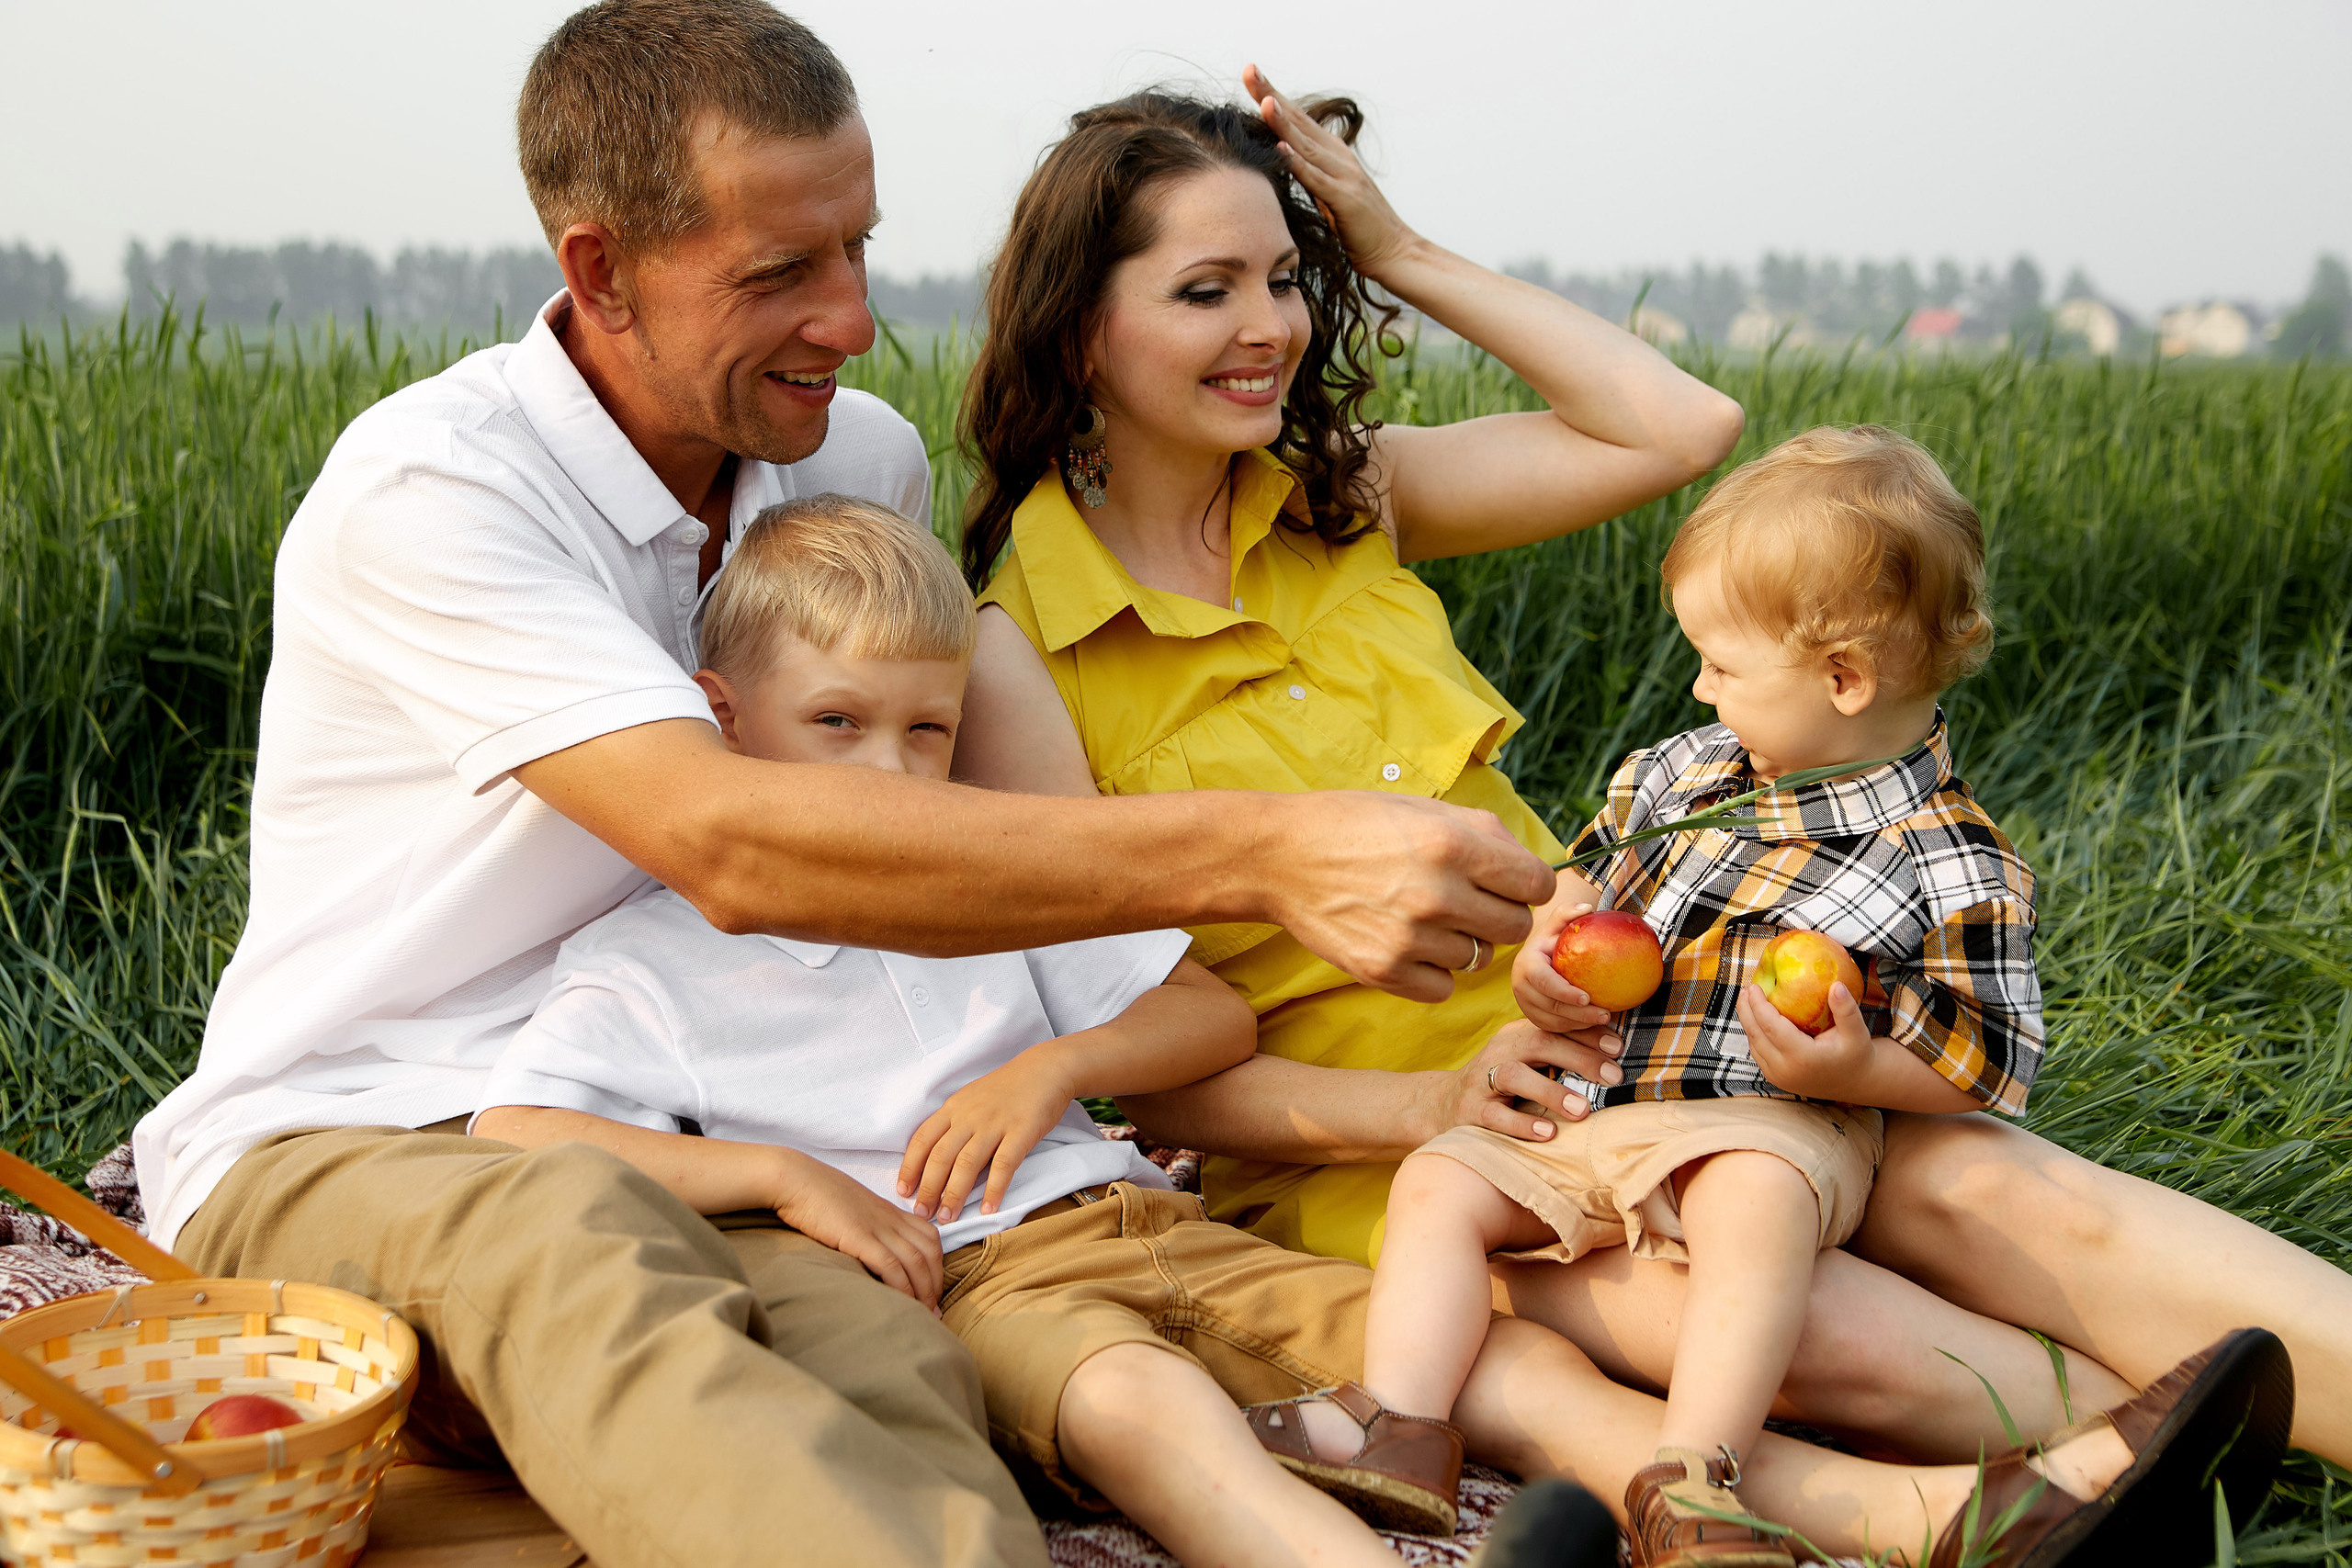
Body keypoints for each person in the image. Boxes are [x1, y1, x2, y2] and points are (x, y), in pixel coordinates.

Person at [126, 8, 1565, 1568]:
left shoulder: (849, 463)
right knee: (582, 1249)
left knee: (902, 1350)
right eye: (779, 275)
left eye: (858, 250)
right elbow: (725, 841)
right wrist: (1270, 850)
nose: (856, 320)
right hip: (390, 1123)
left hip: (740, 1130)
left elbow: (939, 817)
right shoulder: (439, 492)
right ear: (601, 271)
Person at [947, 69, 2347, 1550]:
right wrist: (1433, 1106)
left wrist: (1399, 250)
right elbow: (1146, 1068)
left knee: (2020, 1198)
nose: (1270, 326)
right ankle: (2175, 1465)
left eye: (1288, 279)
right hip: (1410, 1169)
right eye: (1204, 288)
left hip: (1673, 1041)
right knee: (1827, 1330)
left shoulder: (1346, 501)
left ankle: (2253, 1424)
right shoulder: (1017, 647)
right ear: (1081, 328)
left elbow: (1676, 426)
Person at [474, 493, 1621, 1568]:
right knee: (1135, 1403)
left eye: (928, 730)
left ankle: (1705, 1502)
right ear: (723, 717)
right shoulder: (660, 954)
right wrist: (782, 1176)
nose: (891, 771)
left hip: (1145, 1216)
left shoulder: (980, 884)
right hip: (983, 1278)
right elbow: (515, 1129)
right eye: (836, 723)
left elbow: (1205, 1017)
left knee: (1480, 1356)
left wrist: (1052, 1069)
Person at [1359, 425, 2044, 1567]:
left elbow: (1985, 1057)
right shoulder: (1676, 774)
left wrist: (1852, 1068)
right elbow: (1587, 890)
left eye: (1722, 666)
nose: (1697, 684)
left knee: (1749, 1204)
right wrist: (1546, 955)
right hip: (1608, 1116)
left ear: (1842, 679)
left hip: (1773, 1125)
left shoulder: (1951, 860)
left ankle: (1696, 1480)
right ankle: (1396, 1431)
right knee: (1436, 1181)